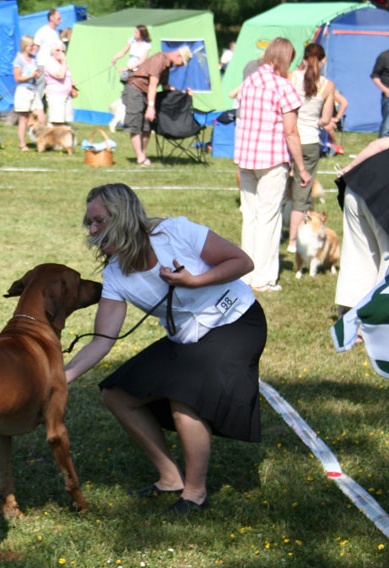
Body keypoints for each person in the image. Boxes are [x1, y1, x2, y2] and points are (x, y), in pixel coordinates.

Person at [65, 183, 266, 512]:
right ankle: (170, 478)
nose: (93, 230)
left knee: (183, 396)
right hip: (187, 336)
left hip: (236, 321)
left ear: (124, 217)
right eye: (89, 223)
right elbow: (103, 339)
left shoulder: (176, 232)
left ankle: (195, 493)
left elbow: (242, 262)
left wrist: (195, 281)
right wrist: (62, 377)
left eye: (99, 220)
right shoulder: (115, 273)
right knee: (116, 394)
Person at [234, 37, 311, 292]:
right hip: (272, 159)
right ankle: (263, 278)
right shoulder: (283, 87)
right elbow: (291, 132)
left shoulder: (248, 82)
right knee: (269, 218)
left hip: (246, 158)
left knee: (251, 217)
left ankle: (245, 273)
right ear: (286, 58)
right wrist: (301, 168)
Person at [286, 43, 335, 253]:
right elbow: (325, 119)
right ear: (323, 61)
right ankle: (293, 241)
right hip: (309, 142)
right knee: (302, 195)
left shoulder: (292, 77)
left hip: (286, 138)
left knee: (282, 188)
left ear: (304, 59)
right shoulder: (327, 85)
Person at [334, 136, 389, 314]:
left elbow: (378, 144)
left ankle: (350, 319)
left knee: (357, 255)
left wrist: (349, 169)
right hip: (382, 193)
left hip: (358, 183)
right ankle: (376, 320)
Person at [123, 46, 193, 166]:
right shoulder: (159, 59)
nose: (181, 66)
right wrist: (151, 107)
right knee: (135, 123)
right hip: (135, 89)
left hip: (146, 93)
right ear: (178, 56)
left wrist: (182, 93)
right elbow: (153, 84)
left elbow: (165, 85)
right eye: (182, 63)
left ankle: (143, 155)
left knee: (147, 126)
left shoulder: (167, 64)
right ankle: (140, 158)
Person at [13, 35, 45, 150]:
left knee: (41, 116)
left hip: (33, 89)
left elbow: (33, 74)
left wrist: (36, 76)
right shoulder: (19, 60)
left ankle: (42, 141)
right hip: (23, 90)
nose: (33, 48)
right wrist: (31, 76)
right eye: (31, 45)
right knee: (24, 119)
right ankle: (23, 144)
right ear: (25, 46)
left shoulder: (34, 59)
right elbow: (17, 78)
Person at [44, 40, 74, 125]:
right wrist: (64, 62)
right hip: (56, 95)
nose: (60, 53)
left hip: (66, 94)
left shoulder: (62, 63)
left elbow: (65, 76)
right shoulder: (50, 63)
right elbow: (60, 76)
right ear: (52, 51)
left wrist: (70, 82)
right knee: (56, 121)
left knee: (64, 121)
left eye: (63, 51)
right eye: (57, 50)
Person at [34, 9, 61, 101]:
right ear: (51, 18)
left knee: (52, 87)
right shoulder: (43, 31)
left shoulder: (56, 32)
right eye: (58, 18)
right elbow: (35, 47)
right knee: (40, 87)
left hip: (52, 65)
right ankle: (35, 108)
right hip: (43, 64)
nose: (60, 20)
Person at [371, 48, 389, 138]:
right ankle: (382, 150)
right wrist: (386, 90)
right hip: (388, 97)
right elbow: (375, 76)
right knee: (387, 127)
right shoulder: (384, 56)